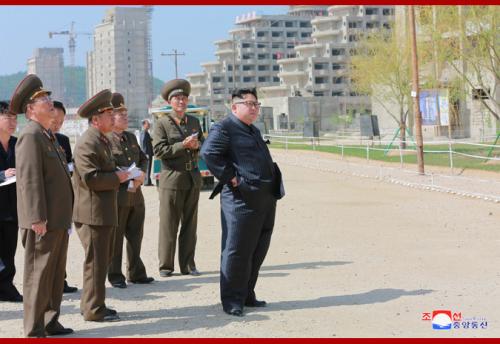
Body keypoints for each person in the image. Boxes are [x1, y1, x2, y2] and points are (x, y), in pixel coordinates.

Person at [200, 88, 285, 317]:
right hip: (241, 199)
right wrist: (232, 178)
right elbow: (209, 153)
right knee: (237, 250)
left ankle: (247, 294)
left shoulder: (252, 129)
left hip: (265, 198)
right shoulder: (225, 127)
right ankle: (232, 300)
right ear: (234, 106)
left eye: (256, 104)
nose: (254, 108)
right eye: (249, 103)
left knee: (258, 248)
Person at [11, 74, 74, 336]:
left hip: (57, 218)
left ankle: (50, 319)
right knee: (38, 274)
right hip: (42, 220)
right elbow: (29, 180)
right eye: (42, 100)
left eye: (48, 98)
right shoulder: (30, 136)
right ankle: (34, 329)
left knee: (55, 273)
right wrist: (37, 216)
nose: (49, 102)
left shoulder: (48, 136)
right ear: (30, 110)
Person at [72, 89, 129, 322]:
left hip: (102, 210)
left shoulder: (100, 139)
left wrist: (118, 174)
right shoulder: (89, 141)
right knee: (95, 263)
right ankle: (94, 310)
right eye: (108, 114)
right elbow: (91, 178)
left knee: (100, 262)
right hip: (92, 212)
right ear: (96, 119)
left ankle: (94, 304)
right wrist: (119, 178)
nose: (113, 118)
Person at [152, 79, 204, 277]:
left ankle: (188, 264)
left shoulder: (194, 122)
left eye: (184, 98)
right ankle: (166, 266)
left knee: (190, 225)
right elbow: (159, 150)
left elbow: (203, 144)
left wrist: (197, 145)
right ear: (169, 102)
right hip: (172, 179)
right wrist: (183, 145)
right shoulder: (162, 124)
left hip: (192, 178)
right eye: (176, 98)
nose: (181, 101)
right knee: (169, 224)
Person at [107, 92, 154, 288]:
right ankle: (115, 275)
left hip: (136, 195)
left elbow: (143, 158)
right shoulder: (106, 140)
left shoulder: (130, 137)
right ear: (111, 117)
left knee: (136, 236)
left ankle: (136, 272)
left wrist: (141, 174)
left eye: (126, 114)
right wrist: (128, 176)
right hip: (118, 196)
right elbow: (108, 167)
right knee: (116, 239)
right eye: (121, 114)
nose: (125, 117)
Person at [50, 100, 78, 294]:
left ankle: (62, 280)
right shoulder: (36, 139)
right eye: (54, 119)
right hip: (47, 200)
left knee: (62, 243)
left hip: (63, 199)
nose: (57, 124)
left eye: (60, 121)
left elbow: (70, 164)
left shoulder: (63, 140)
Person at [0, 101, 22, 303]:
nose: (12, 122)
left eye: (15, 118)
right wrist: (1, 175)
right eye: (8, 117)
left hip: (13, 208)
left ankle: (7, 287)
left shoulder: (18, 144)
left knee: (9, 251)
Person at [140, 119, 154, 186]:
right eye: (148, 124)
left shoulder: (146, 132)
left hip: (148, 153)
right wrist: (146, 154)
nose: (149, 126)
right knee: (148, 168)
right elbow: (143, 143)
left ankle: (148, 181)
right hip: (147, 153)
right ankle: (146, 182)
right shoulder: (144, 133)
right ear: (144, 125)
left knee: (148, 167)